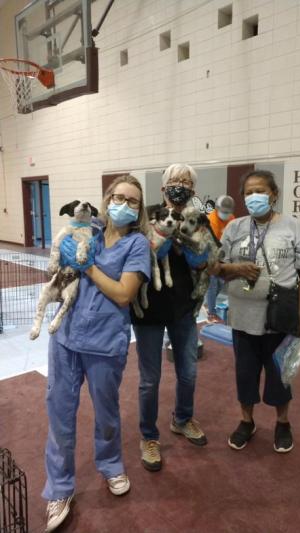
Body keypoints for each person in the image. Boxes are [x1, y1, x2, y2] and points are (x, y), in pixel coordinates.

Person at [42, 175, 151, 532]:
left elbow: (123, 294)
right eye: (118, 197)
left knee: (106, 412)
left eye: (132, 201)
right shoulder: (87, 228)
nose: (123, 204)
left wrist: (87, 266)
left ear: (138, 210)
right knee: (59, 414)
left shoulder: (137, 244)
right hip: (66, 337)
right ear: (106, 199)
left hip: (105, 343)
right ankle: (59, 488)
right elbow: (60, 263)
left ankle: (111, 465)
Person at [215, 170, 300, 453]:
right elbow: (216, 267)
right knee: (245, 374)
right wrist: (236, 269)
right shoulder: (234, 228)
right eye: (248, 192)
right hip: (242, 318)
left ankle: (282, 423)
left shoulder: (291, 227)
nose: (253, 197)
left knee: (279, 374)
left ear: (274, 194)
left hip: (278, 319)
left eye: (259, 191)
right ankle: (246, 421)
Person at [131, 163, 209, 473]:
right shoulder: (147, 214)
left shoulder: (198, 219)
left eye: (186, 182)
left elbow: (207, 260)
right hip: (149, 308)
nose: (180, 185)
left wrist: (197, 251)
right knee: (149, 380)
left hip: (183, 308)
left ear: (193, 188)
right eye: (175, 181)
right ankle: (148, 437)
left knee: (188, 372)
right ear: (163, 187)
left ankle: (182, 419)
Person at [205, 195, 235, 323]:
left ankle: (207, 304)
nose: (226, 214)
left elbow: (233, 237)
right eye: (223, 211)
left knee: (221, 283)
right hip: (210, 253)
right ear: (217, 208)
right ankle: (211, 313)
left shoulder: (232, 219)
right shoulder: (211, 220)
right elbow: (212, 243)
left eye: (228, 212)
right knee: (212, 283)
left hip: (224, 254)